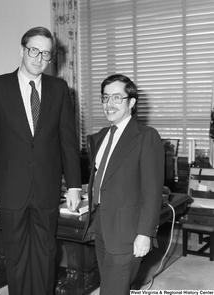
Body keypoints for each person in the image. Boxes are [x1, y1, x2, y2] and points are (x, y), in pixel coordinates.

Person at [0, 26, 82, 295]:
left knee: (47, 253)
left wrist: (74, 186)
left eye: (46, 54)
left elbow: (68, 142)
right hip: (11, 188)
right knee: (15, 254)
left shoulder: (60, 89)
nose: (39, 58)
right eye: (34, 50)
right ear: (22, 50)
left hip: (47, 187)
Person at [83, 74, 164, 295]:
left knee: (112, 291)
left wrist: (145, 233)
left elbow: (152, 190)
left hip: (128, 230)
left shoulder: (147, 136)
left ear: (132, 102)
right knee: (113, 286)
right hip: (101, 224)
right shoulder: (101, 137)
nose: (109, 104)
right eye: (105, 97)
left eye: (117, 97)